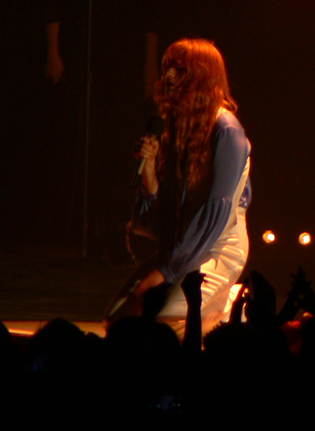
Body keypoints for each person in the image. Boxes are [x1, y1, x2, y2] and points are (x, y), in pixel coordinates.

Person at [105, 39, 251, 339]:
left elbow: (216, 213)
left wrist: (167, 272)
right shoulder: (179, 128)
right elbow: (160, 221)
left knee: (159, 324)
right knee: (118, 320)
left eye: (180, 70)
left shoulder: (227, 131)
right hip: (181, 245)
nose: (169, 76)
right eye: (167, 67)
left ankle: (230, 307)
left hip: (214, 247)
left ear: (202, 77)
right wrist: (148, 170)